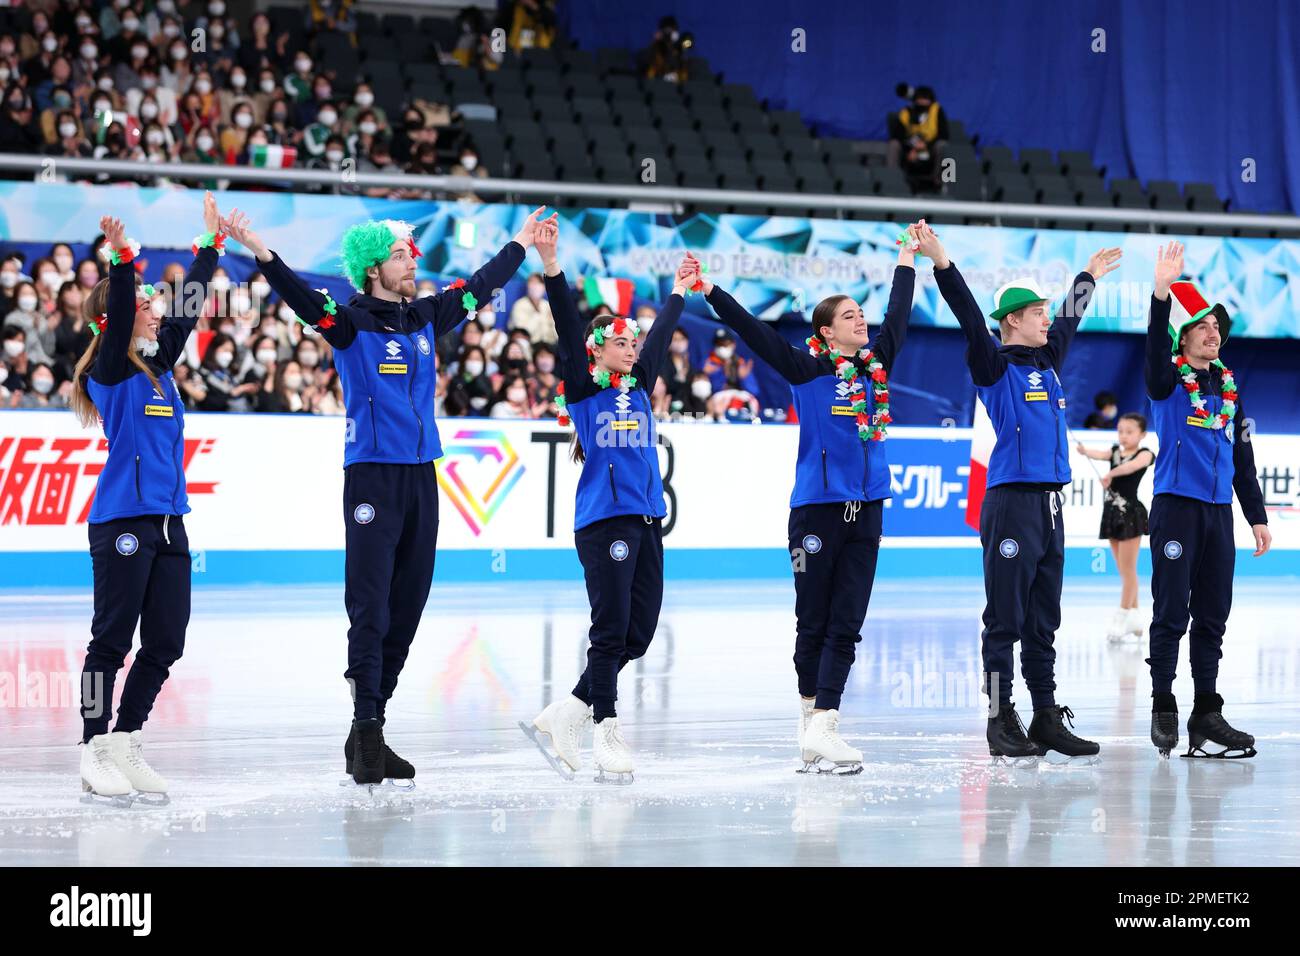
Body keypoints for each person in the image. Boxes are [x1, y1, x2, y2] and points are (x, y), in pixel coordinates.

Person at [221, 205, 546, 786]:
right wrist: (259, 250)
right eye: (400, 256)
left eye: (411, 255)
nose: (411, 263)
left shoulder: (426, 316)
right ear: (373, 267)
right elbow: (298, 295)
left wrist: (520, 242)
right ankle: (368, 731)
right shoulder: (348, 321)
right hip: (372, 474)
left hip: (423, 475)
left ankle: (367, 728)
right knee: (370, 604)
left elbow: (479, 287)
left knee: (409, 603)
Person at [702, 227, 920, 772]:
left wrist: (906, 256)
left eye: (859, 315)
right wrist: (710, 292)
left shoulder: (877, 364)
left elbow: (898, 313)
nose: (861, 321)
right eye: (849, 316)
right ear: (825, 331)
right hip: (815, 516)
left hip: (868, 512)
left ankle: (827, 722)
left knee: (848, 621)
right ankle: (809, 721)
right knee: (813, 620)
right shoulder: (807, 368)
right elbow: (755, 332)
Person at [923, 220, 1122, 764]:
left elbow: (1069, 321)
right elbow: (967, 315)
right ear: (1013, 321)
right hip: (1011, 504)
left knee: (1042, 618)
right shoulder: (994, 366)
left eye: (1045, 312)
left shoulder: (1048, 361)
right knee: (1004, 618)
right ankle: (998, 718)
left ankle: (1045, 714)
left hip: (1051, 506)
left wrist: (1088, 277)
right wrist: (942, 261)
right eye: (1036, 312)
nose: (1045, 318)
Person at [522, 217, 692, 783]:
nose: (631, 348)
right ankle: (607, 734)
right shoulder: (584, 391)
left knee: (638, 634)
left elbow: (663, 334)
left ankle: (566, 711)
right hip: (604, 524)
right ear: (599, 352)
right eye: (620, 342)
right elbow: (569, 329)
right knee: (610, 628)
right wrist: (552, 266)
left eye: (632, 342)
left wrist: (677, 291)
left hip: (647, 522)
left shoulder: (639, 384)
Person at [70, 194, 224, 804]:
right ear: (118, 316)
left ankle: (125, 738)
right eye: (144, 307)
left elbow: (187, 308)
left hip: (168, 524)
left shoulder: (160, 368)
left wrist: (210, 248)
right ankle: (91, 743)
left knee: (166, 641)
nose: (157, 314)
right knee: (110, 640)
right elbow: (124, 310)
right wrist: (124, 259)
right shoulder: (110, 372)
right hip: (121, 523)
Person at [1144, 242, 1270, 759]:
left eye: (1216, 326)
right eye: (1201, 327)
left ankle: (1206, 712)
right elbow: (1154, 348)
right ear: (1184, 339)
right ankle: (1163, 704)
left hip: (1220, 516)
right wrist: (1160, 293)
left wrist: (1256, 518)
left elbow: (1244, 460)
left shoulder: (1231, 391)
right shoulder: (1169, 384)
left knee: (1213, 615)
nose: (1213, 331)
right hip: (1176, 509)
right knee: (1172, 612)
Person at [1076, 413, 1155, 640]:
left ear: (1142, 434)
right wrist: (1084, 451)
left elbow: (1130, 468)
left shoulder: (1145, 454)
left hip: (1130, 513)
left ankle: (1121, 617)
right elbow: (1099, 454)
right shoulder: (1113, 452)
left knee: (1128, 570)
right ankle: (1136, 617)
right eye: (1120, 431)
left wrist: (1110, 473)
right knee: (1123, 570)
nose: (1124, 436)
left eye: (1129, 432)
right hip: (1111, 513)